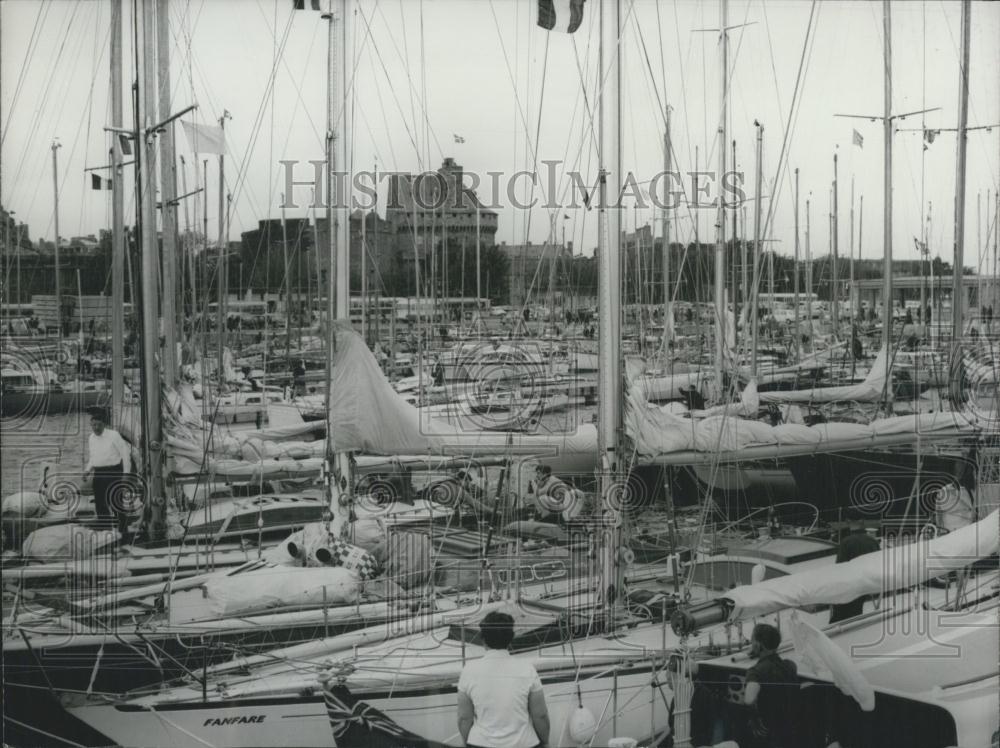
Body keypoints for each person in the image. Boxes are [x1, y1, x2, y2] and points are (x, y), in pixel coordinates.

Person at [457, 611, 550, 748]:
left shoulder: (468, 671)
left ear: (483, 639)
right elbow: (540, 715)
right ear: (510, 638)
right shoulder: (527, 669)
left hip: (480, 744)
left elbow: (464, 718)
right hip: (523, 744)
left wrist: (467, 742)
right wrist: (546, 741)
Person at [743, 623, 799, 748]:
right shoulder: (790, 666)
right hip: (789, 733)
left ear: (758, 644)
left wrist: (754, 720)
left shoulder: (755, 671)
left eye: (752, 641)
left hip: (768, 735)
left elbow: (749, 699)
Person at [83, 407, 133, 536]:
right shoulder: (91, 438)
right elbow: (93, 457)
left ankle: (124, 531)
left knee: (116, 502)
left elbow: (125, 454)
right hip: (99, 473)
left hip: (114, 472)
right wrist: (87, 470)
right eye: (94, 425)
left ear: (104, 424)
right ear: (91, 425)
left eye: (99, 425)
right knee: (100, 503)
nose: (96, 428)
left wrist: (126, 474)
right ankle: (106, 531)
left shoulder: (113, 435)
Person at [828, 526, 880, 623]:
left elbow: (840, 565)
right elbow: (878, 560)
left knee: (841, 610)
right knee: (857, 607)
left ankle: (838, 627)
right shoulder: (872, 541)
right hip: (865, 581)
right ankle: (854, 624)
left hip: (849, 582)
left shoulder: (846, 541)